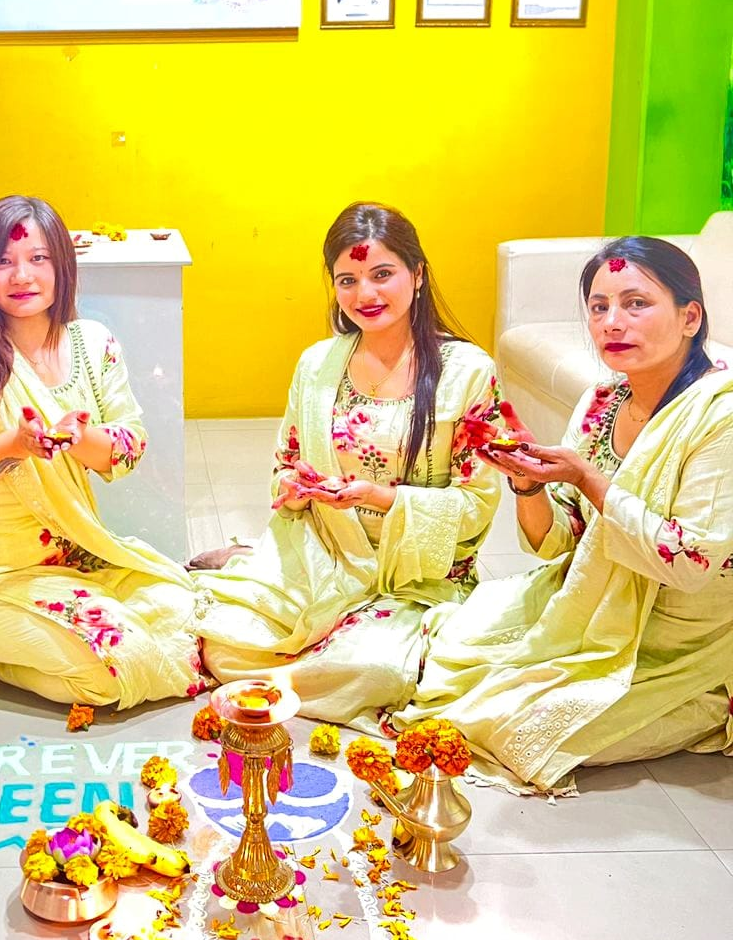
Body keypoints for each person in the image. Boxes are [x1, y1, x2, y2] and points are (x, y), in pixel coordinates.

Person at [403, 238, 733, 792]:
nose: (613, 322)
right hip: (591, 604)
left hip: (678, 634)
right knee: (445, 655)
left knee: (513, 727)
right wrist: (528, 484)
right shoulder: (604, 399)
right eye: (599, 307)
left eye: (636, 303)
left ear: (689, 316)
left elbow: (692, 564)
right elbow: (560, 546)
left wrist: (589, 478)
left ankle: (710, 701)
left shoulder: (718, 417)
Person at [195, 202, 501, 729]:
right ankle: (253, 566)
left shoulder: (468, 371)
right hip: (322, 554)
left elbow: (477, 505)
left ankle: (329, 636)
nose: (366, 295)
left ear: (418, 274)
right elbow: (283, 469)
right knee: (223, 643)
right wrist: (297, 487)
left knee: (375, 668)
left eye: (383, 274)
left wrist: (379, 497)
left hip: (415, 579)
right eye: (348, 279)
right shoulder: (317, 364)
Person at [0, 195, 203, 707]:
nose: (22, 276)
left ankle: (42, 641)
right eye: (4, 262)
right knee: (109, 671)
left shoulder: (91, 343)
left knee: (182, 609)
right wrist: (12, 444)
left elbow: (127, 449)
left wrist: (77, 437)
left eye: (39, 259)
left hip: (77, 560)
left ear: (62, 266)